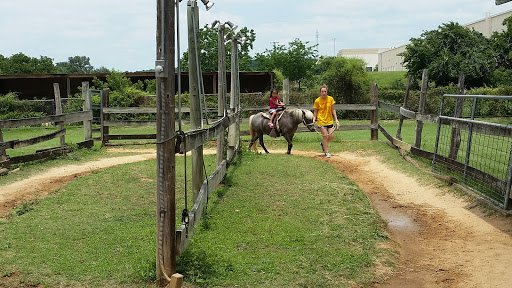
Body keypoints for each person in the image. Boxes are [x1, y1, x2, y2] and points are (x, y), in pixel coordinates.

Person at [312, 85, 339, 158]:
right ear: (320, 92)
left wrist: (336, 119)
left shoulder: (330, 99)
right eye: (322, 91)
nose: (324, 93)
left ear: (327, 92)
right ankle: (326, 152)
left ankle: (323, 144)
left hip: (329, 120)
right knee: (325, 136)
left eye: (325, 91)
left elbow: (333, 109)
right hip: (321, 121)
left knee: (331, 136)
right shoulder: (317, 101)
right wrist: (314, 119)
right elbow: (315, 111)